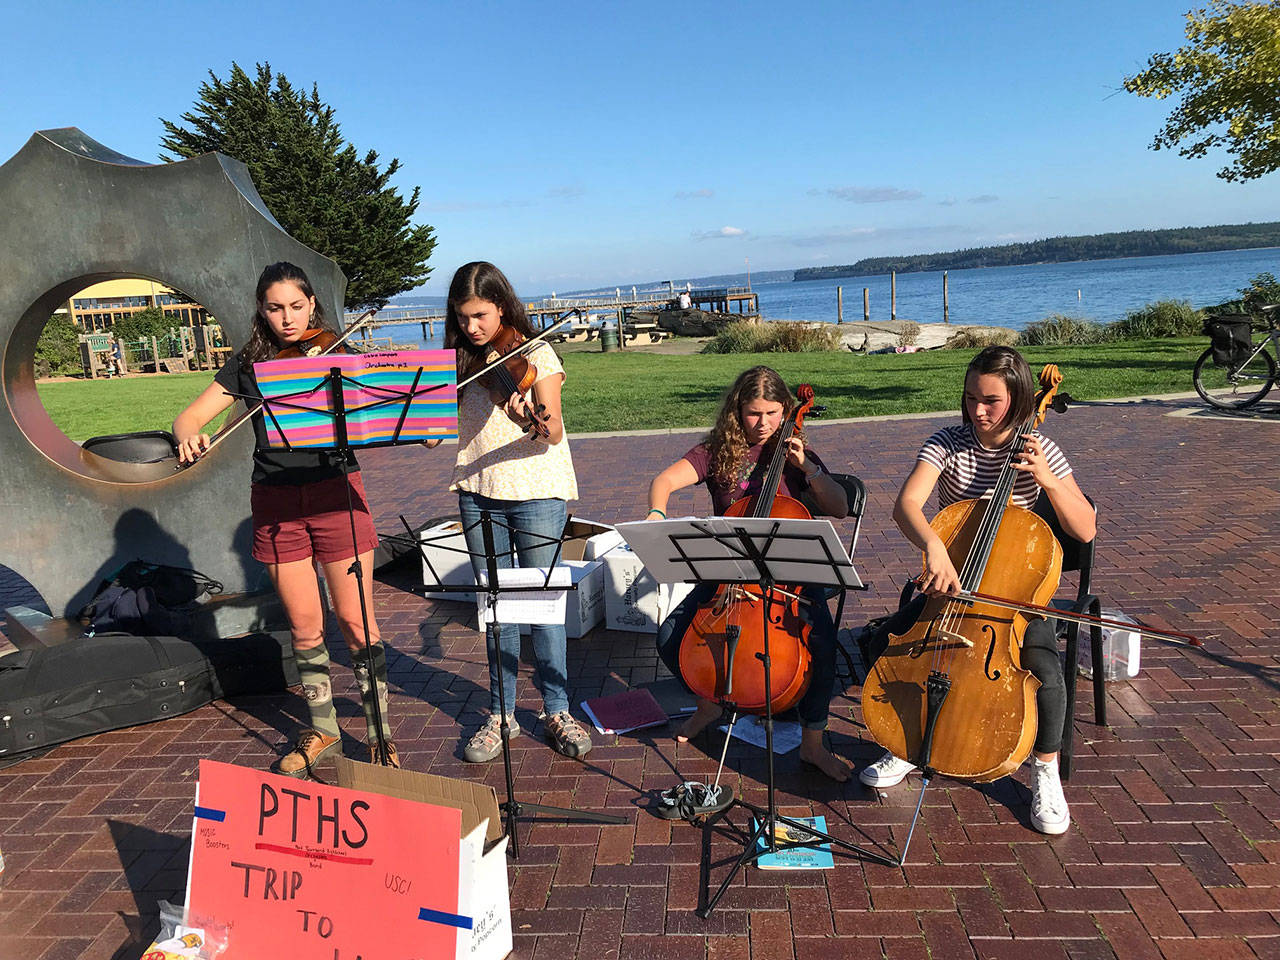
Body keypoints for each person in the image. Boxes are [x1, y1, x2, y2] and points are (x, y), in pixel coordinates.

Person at [858, 345, 1096, 834]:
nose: (978, 411)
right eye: (970, 398)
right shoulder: (948, 442)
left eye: (991, 401)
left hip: (1015, 595)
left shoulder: (1040, 450)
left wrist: (1048, 481)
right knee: (885, 647)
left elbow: (1086, 529)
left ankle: (1045, 770)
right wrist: (934, 548)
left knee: (1046, 674)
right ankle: (907, 744)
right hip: (951, 586)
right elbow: (907, 504)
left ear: (1021, 398)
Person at [173, 262, 395, 777]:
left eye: (296, 306)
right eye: (275, 308)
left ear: (312, 304)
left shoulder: (338, 352)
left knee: (359, 625)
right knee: (303, 626)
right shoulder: (249, 362)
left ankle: (381, 735)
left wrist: (420, 426)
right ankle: (324, 732)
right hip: (276, 502)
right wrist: (188, 433)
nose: (287, 319)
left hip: (336, 494)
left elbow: (384, 409)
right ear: (261, 310)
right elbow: (188, 415)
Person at [646, 366, 853, 781]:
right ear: (737, 411)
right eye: (753, 414)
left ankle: (813, 745)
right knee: (670, 637)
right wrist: (656, 511)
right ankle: (710, 703)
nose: (763, 424)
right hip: (731, 573)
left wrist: (808, 470)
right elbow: (664, 480)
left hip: (789, 576)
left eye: (773, 413)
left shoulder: (799, 457)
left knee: (824, 645)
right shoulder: (716, 451)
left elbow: (840, 507)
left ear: (787, 410)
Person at [433, 261, 592, 763]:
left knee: (541, 606)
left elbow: (555, 431)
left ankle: (556, 709)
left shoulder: (534, 353)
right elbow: (438, 426)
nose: (472, 327)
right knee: (496, 608)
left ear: (501, 305)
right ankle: (501, 714)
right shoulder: (457, 360)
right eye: (463, 318)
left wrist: (530, 418)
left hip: (536, 488)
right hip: (478, 487)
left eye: (480, 315)